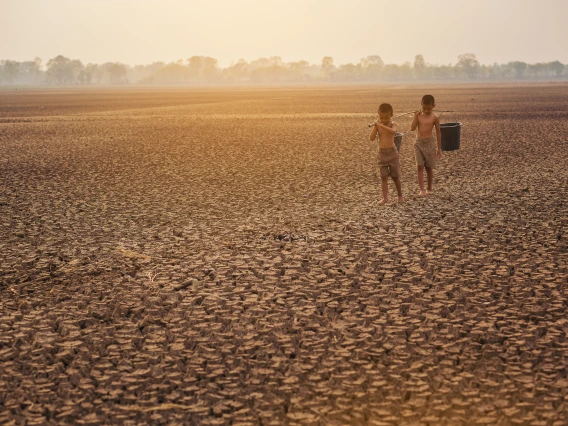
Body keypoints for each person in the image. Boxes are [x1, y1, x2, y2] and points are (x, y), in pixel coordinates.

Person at [369, 103, 404, 205]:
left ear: (391, 116)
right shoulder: (378, 126)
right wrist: (375, 127)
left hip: (392, 153)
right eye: (381, 118)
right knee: (383, 177)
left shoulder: (393, 124)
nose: (384, 120)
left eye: (386, 118)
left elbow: (393, 132)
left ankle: (400, 195)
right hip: (382, 154)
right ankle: (385, 198)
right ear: (378, 115)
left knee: (395, 176)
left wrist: (381, 125)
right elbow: (371, 138)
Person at [411, 95, 442, 196]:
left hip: (430, 143)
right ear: (421, 105)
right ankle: (421, 190)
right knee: (419, 166)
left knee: (428, 167)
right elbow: (412, 128)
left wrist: (439, 148)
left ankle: (429, 188)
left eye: (429, 108)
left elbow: (438, 133)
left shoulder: (435, 117)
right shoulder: (419, 115)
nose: (426, 110)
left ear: (434, 106)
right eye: (424, 108)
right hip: (418, 143)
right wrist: (415, 116)